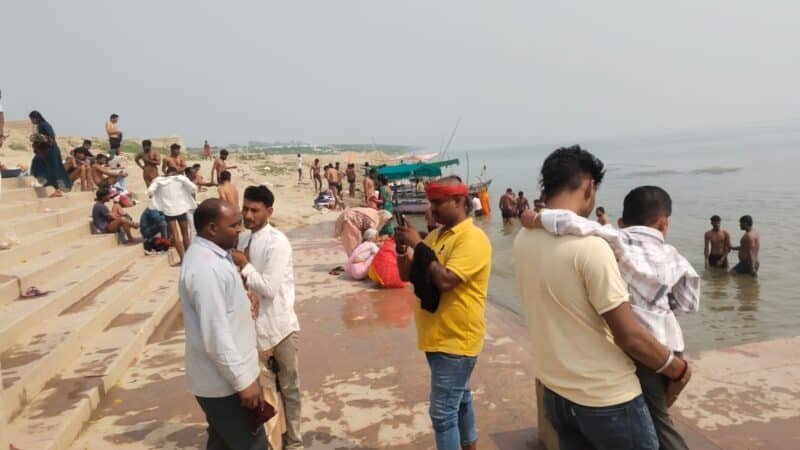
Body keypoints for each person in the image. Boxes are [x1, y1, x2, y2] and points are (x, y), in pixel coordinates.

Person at [512, 145, 691, 450]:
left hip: (557, 391)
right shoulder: (591, 249)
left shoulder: (522, 239)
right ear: (589, 186)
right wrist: (677, 368)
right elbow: (630, 336)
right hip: (606, 398)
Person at [395, 176, 491, 450]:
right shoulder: (437, 236)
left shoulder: (473, 239)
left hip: (457, 340)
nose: (431, 209)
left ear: (460, 201)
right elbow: (408, 275)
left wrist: (419, 245)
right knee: (459, 399)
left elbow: (446, 279)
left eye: (438, 203)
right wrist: (402, 249)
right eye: (431, 202)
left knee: (442, 413)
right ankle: (469, 445)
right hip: (437, 337)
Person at [179, 198, 267, 450]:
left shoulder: (216, 256)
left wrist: (242, 298)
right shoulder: (205, 268)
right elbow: (216, 336)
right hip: (225, 384)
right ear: (212, 229)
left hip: (226, 378)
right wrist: (243, 383)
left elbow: (223, 309)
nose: (240, 230)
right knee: (253, 443)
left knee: (222, 442)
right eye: (234, 225)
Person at [231, 185, 304, 450]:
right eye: (246, 209)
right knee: (265, 390)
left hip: (280, 326)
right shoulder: (241, 240)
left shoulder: (277, 242)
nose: (248, 215)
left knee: (290, 388)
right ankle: (272, 441)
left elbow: (270, 289)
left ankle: (294, 442)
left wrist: (245, 266)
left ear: (269, 212)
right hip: (253, 329)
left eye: (254, 210)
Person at [148, 166, 198, 263]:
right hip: (181, 209)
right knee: (185, 235)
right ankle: (188, 258)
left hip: (169, 211)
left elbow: (150, 191)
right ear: (175, 172)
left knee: (175, 235)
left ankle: (182, 259)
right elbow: (193, 188)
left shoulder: (159, 181)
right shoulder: (180, 179)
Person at [29, 111, 73, 192]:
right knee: (46, 167)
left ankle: (60, 188)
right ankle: (55, 186)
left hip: (50, 151)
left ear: (35, 118)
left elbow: (51, 137)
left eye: (32, 119)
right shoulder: (41, 125)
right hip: (47, 151)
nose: (31, 121)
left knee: (52, 169)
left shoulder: (43, 125)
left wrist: (39, 138)